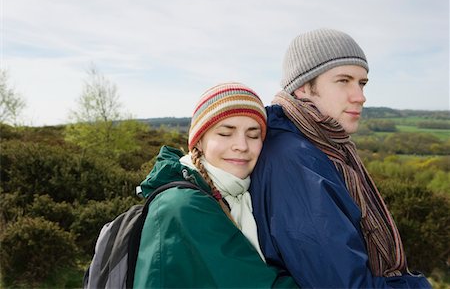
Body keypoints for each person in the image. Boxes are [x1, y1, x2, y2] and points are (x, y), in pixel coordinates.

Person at [250, 28, 431, 288]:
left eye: (362, 83)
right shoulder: (295, 160)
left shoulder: (322, 146)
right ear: (302, 87)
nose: (360, 96)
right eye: (343, 81)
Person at [133, 82, 298, 288]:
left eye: (253, 134)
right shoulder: (183, 206)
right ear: (199, 141)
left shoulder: (237, 194)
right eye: (225, 133)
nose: (242, 146)